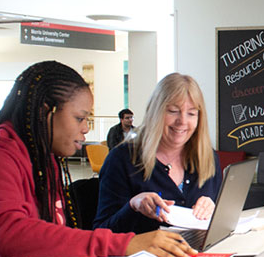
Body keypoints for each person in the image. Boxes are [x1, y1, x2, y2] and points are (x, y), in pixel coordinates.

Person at [0, 61, 194, 257]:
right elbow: (12, 236)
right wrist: (127, 244)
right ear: (46, 112)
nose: (86, 128)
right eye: (80, 118)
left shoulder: (42, 160)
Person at [94, 73, 221, 234]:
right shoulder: (121, 159)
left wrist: (213, 210)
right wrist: (133, 206)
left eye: (191, 113)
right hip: (145, 256)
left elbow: (217, 227)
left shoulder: (208, 158)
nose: (182, 121)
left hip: (198, 255)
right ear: (156, 112)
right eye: (173, 111)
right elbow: (101, 232)